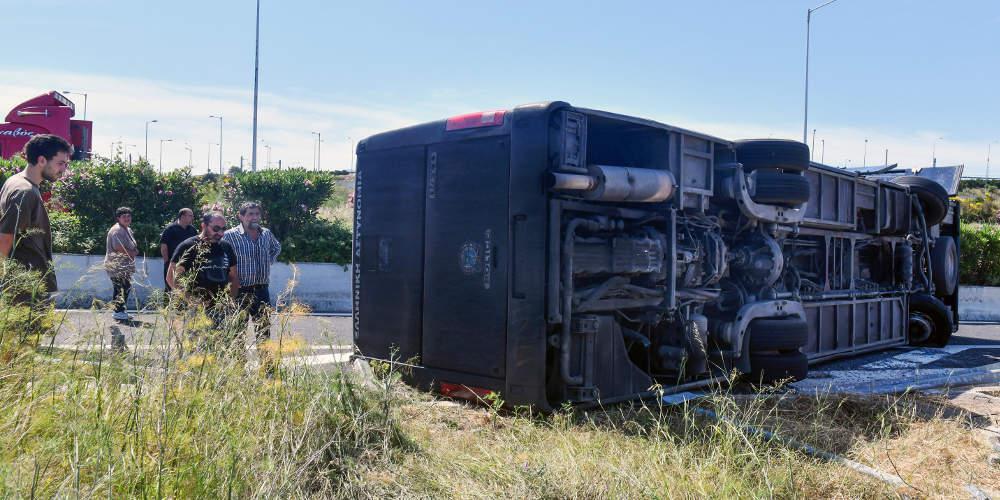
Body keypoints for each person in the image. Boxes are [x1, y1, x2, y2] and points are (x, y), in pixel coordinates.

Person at [0, 134, 71, 300]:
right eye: (60, 163)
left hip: (24, 282)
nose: (63, 169)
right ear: (42, 160)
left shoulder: (14, 181)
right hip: (24, 288)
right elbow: (5, 238)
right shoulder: (25, 192)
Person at [166, 211, 240, 330]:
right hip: (195, 311)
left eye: (223, 229)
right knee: (196, 342)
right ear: (203, 225)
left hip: (221, 309)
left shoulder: (226, 247)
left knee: (222, 341)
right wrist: (192, 300)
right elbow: (171, 278)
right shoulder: (188, 246)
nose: (220, 233)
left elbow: (234, 277)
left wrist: (231, 301)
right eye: (216, 228)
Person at [223, 201, 281, 342]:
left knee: (264, 332)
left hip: (262, 290)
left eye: (257, 214)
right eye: (250, 214)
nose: (254, 217)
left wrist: (268, 261)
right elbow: (221, 257)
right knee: (237, 333)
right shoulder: (230, 235)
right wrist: (229, 277)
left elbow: (276, 247)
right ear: (241, 216)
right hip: (240, 291)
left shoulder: (266, 233)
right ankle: (238, 357)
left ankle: (265, 358)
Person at [105, 207, 138, 321]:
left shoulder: (128, 229)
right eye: (124, 216)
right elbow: (118, 247)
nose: (127, 218)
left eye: (129, 216)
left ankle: (121, 310)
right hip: (117, 265)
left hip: (125, 266)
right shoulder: (117, 230)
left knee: (126, 287)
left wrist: (134, 251)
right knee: (119, 288)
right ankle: (117, 312)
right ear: (118, 218)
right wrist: (132, 253)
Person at [159, 208, 197, 291]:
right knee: (170, 289)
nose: (193, 218)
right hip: (173, 264)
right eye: (190, 216)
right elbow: (164, 247)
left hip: (188, 266)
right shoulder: (170, 229)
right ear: (182, 216)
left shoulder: (192, 230)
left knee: (186, 289)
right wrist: (167, 262)